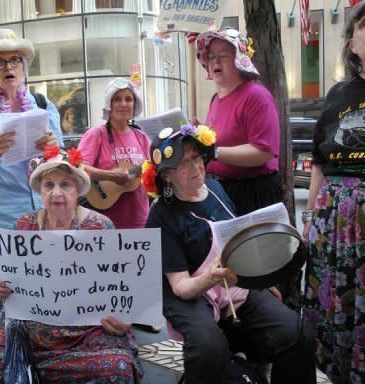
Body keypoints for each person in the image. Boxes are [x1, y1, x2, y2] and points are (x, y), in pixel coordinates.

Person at [143, 124, 316, 384]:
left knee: (297, 331)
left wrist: (260, 279)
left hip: (232, 279)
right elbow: (180, 286)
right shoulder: (161, 214)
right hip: (191, 291)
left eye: (198, 158)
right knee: (209, 348)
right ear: (166, 175)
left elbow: (236, 242)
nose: (197, 167)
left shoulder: (216, 189)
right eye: (185, 163)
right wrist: (210, 278)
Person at [0, 146, 143, 383]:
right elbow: (6, 276)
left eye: (65, 184)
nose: (57, 193)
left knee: (116, 367)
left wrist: (126, 317)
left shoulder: (101, 226)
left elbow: (123, 284)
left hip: (87, 329)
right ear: (40, 191)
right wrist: (0, 284)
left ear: (78, 190)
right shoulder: (23, 226)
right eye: (49, 185)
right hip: (29, 327)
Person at [0, 28, 63, 323]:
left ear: (24, 66)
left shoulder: (43, 105)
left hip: (43, 217)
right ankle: (5, 360)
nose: (9, 68)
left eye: (15, 60)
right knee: (3, 292)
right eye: (0, 62)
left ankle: (40, 352)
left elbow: (59, 166)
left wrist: (51, 149)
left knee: (46, 287)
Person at [302, 3, 365, 382]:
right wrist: (309, 220)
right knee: (337, 303)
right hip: (335, 221)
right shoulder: (338, 95)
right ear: (353, 44)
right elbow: (320, 164)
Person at [195, 28, 282, 216]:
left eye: (223, 55)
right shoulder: (215, 99)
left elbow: (263, 152)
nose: (215, 61)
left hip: (253, 193)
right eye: (210, 56)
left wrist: (214, 152)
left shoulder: (256, 95)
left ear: (239, 59)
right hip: (220, 190)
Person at [77, 77, 150, 230]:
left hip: (140, 220)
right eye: (117, 99)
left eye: (128, 99)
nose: (123, 104)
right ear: (109, 104)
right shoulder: (96, 134)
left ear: (134, 104)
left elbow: (152, 170)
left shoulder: (142, 137)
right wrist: (110, 176)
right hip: (104, 223)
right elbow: (79, 170)